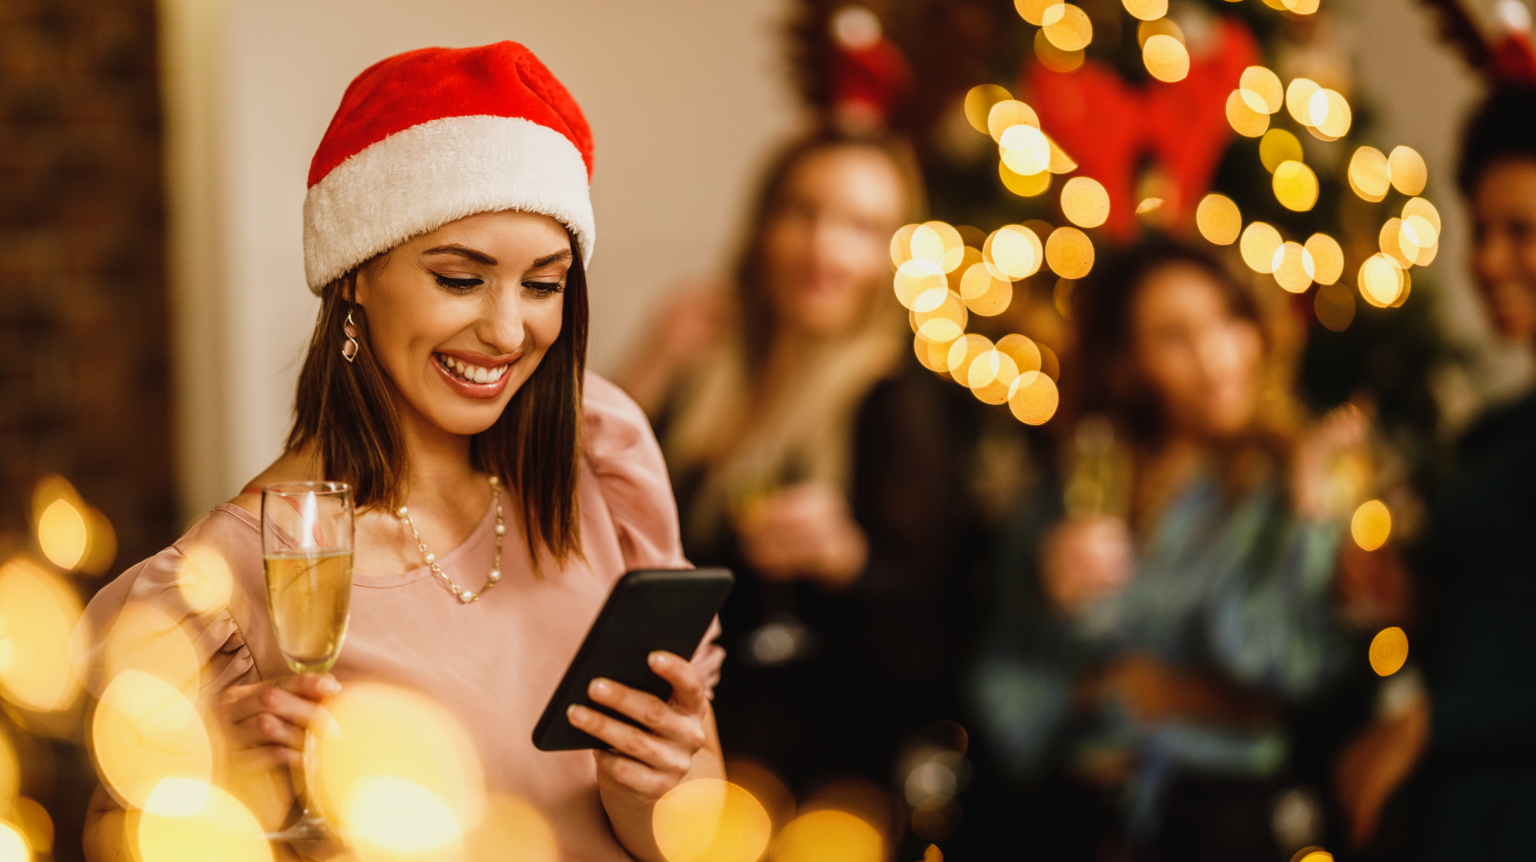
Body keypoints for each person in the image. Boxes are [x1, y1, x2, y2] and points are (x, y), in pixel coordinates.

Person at [74, 43, 723, 862]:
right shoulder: (228, 579)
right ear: (354, 275)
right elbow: (116, 840)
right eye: (460, 279)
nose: (508, 330)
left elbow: (707, 833)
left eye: (544, 284)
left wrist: (647, 797)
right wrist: (212, 791)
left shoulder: (598, 460)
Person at [969, 241, 1354, 860]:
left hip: (1215, 818)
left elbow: (1283, 673)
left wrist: (1304, 533)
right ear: (1127, 363)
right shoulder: (1082, 485)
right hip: (1074, 815)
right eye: (1175, 336)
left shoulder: (1288, 491)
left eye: (1229, 320)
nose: (1215, 358)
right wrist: (1051, 607)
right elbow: (1005, 684)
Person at [618, 131, 975, 797]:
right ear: (763, 226)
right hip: (678, 749)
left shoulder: (895, 400)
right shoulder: (705, 374)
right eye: (803, 213)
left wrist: (851, 561)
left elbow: (935, 638)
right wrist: (651, 362)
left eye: (862, 228)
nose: (824, 248)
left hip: (816, 774)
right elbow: (579, 511)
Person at [1334, 84, 1536, 861]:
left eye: (1521, 231)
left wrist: (1432, 724)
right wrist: (1407, 595)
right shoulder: (1494, 432)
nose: (1486, 260)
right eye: (1481, 230)